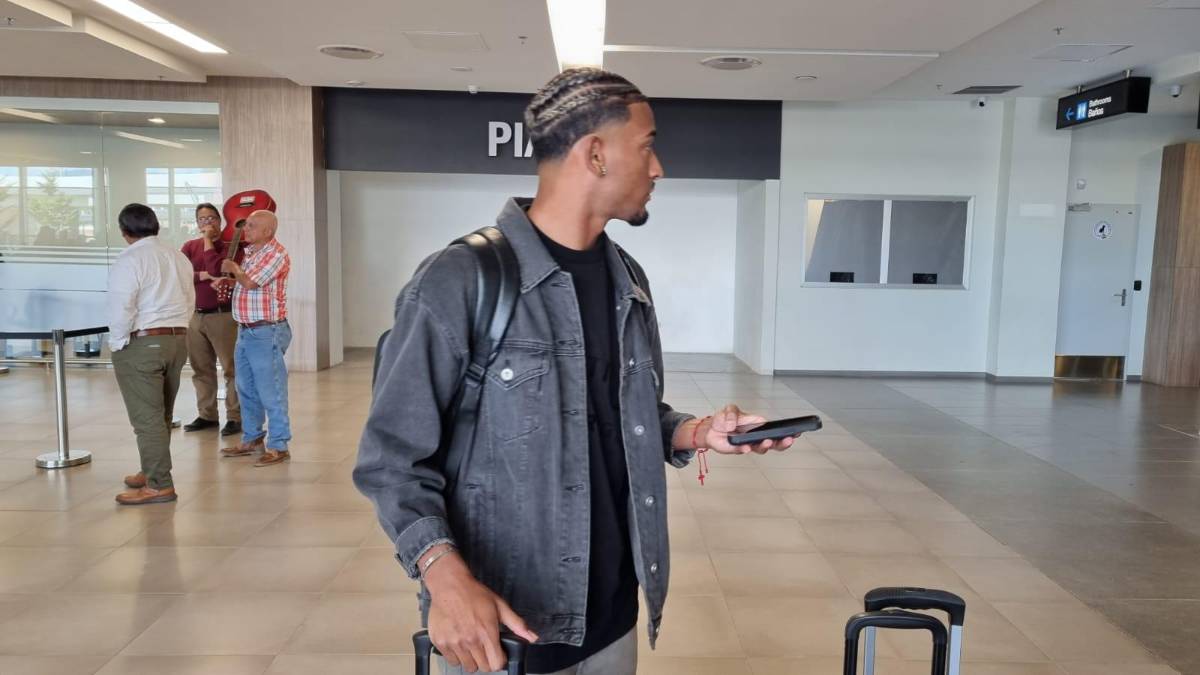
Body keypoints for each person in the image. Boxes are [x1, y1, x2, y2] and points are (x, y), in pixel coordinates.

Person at [355, 68, 794, 675]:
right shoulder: (459, 280)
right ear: (595, 154)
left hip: (614, 618)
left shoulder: (628, 281)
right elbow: (391, 458)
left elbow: (618, 411)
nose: (658, 167)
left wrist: (696, 431)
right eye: (646, 146)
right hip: (505, 633)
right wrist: (443, 576)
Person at [107, 203, 194, 505]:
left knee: (147, 419)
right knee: (162, 414)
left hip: (143, 344)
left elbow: (122, 307)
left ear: (124, 231)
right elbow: (189, 300)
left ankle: (159, 485)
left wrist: (117, 342)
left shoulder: (129, 259)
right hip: (177, 340)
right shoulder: (178, 257)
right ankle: (150, 470)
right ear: (155, 226)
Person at [216, 210, 293, 467]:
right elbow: (243, 284)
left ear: (267, 231)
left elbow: (251, 283)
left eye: (251, 226)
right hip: (245, 330)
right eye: (246, 225)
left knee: (271, 389)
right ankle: (252, 438)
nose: (244, 230)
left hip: (265, 331)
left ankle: (279, 445)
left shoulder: (276, 254)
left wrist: (235, 270)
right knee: (245, 388)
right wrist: (226, 280)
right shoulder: (251, 254)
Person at [180, 202, 242, 437]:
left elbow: (219, 268)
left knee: (231, 369)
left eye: (211, 218)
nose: (207, 223)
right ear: (196, 223)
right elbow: (181, 273)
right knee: (200, 369)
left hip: (223, 316)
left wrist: (208, 243)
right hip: (196, 315)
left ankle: (235, 417)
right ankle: (207, 415)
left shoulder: (231, 247)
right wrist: (202, 275)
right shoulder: (189, 246)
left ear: (220, 221)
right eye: (202, 219)